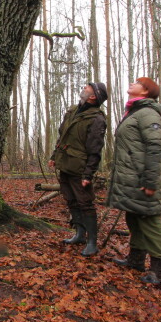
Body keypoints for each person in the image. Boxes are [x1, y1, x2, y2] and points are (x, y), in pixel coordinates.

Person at [107, 77, 161, 284]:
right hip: (130, 177)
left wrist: (150, 181)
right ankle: (135, 260)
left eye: (137, 82)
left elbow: (155, 148)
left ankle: (159, 269)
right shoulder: (134, 112)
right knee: (134, 217)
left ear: (145, 91)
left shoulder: (148, 114)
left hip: (140, 177)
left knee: (149, 219)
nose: (131, 83)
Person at [49, 82, 107, 257]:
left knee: (85, 203)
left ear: (93, 96)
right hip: (65, 163)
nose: (83, 88)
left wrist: (88, 174)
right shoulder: (73, 111)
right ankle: (80, 234)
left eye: (87, 88)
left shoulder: (97, 119)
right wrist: (54, 156)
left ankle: (92, 242)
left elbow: (95, 149)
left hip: (80, 168)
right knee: (71, 200)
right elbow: (62, 135)